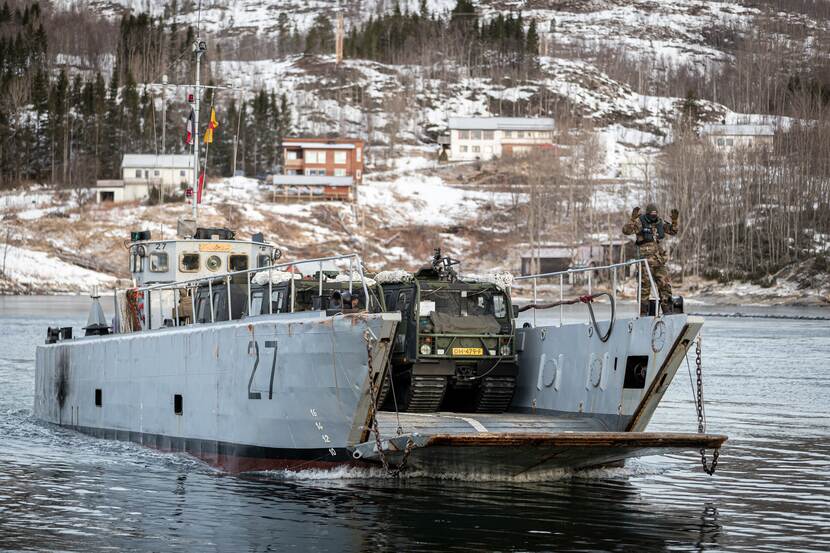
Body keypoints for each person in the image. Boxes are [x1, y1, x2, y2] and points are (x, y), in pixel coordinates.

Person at [622, 203, 679, 315]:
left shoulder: (660, 222)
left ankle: (667, 311)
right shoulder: (640, 222)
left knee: (665, 285)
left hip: (659, 260)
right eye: (652, 214)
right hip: (645, 261)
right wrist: (632, 219)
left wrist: (675, 221)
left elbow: (673, 231)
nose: (654, 216)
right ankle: (644, 313)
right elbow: (626, 231)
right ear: (648, 214)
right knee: (644, 288)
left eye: (655, 214)